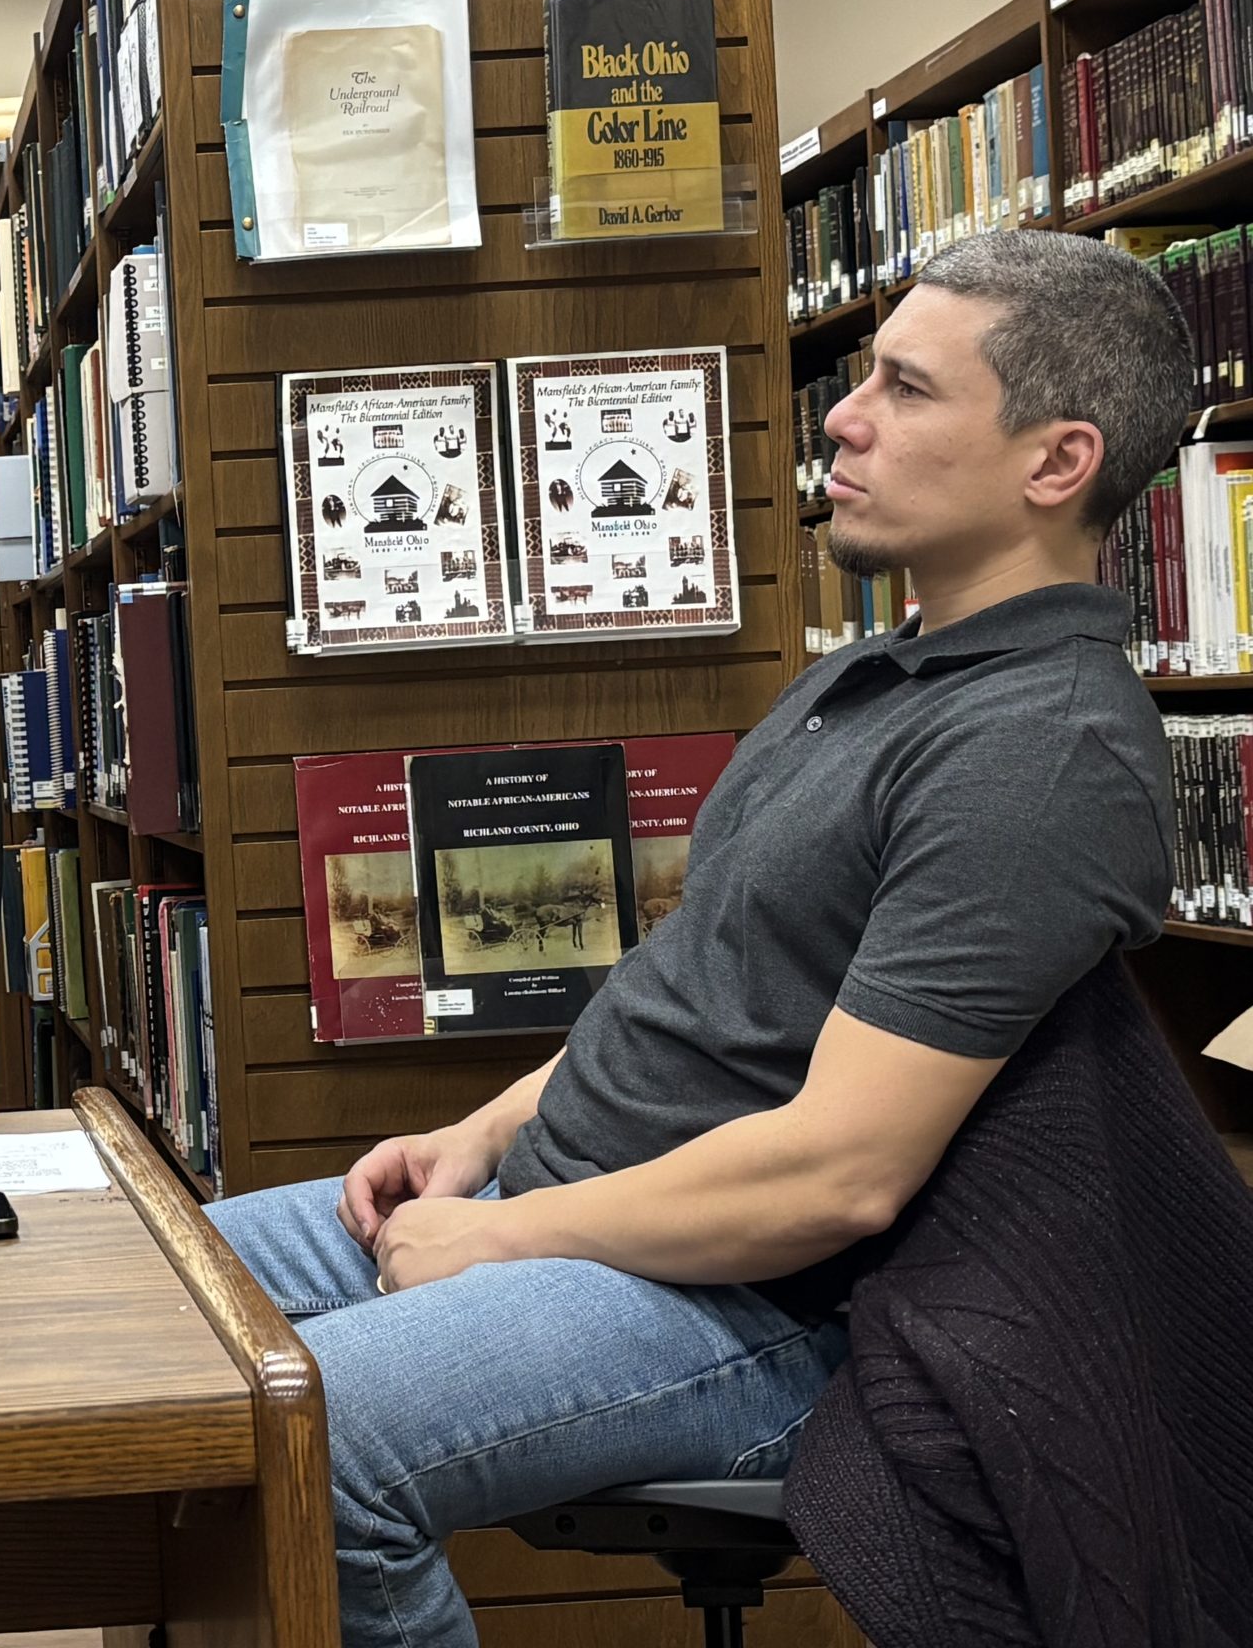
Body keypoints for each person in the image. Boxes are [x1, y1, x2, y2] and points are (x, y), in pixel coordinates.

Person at [208, 228, 1191, 1648]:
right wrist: (480, 1139)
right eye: (863, 379)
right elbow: (706, 989)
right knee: (150, 1319)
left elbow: (842, 1175)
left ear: (1057, 462)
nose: (843, 418)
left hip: (763, 1306)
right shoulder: (868, 674)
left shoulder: (1042, 754)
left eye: (908, 392)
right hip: (571, 1206)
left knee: (294, 1447)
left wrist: (505, 1241)